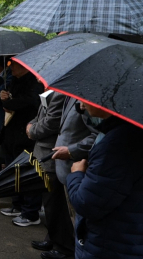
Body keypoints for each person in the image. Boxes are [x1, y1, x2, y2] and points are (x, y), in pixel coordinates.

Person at [67, 102, 143, 258]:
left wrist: (77, 174)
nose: (81, 102)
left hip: (111, 243)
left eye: (87, 98)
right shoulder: (128, 131)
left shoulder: (119, 143)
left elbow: (86, 202)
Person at [33, 98, 98, 259]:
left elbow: (96, 134)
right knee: (60, 209)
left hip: (75, 165)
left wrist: (71, 150)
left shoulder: (90, 99)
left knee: (74, 218)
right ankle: (56, 241)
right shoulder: (70, 95)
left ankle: (68, 250)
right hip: (62, 165)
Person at [26, 91, 75, 259]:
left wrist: (33, 130)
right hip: (47, 153)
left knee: (56, 204)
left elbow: (51, 122)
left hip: (56, 155)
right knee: (50, 203)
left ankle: (64, 247)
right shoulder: (53, 91)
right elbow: (41, 114)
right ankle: (53, 238)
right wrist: (31, 125)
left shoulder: (65, 93)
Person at [0, 60, 44, 226]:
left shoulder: (35, 84)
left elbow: (27, 103)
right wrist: (4, 95)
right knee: (13, 171)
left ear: (24, 66)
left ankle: (30, 211)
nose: (10, 67)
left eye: (14, 64)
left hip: (26, 134)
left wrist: (8, 102)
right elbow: (10, 100)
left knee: (26, 172)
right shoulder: (13, 82)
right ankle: (17, 204)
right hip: (11, 133)